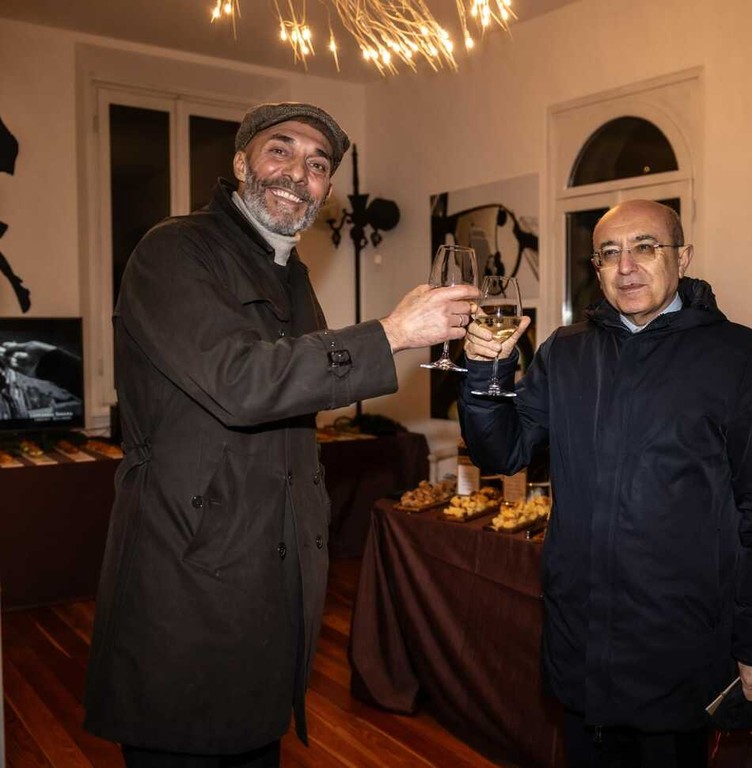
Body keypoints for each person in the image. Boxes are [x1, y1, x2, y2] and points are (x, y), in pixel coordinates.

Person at [83, 101, 479, 767]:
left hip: (271, 580)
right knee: (183, 741)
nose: (299, 172)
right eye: (281, 150)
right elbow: (241, 382)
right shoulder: (174, 251)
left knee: (252, 743)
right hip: (188, 572)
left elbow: (294, 402)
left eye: (318, 164)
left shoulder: (290, 275)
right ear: (241, 163)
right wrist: (392, 333)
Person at [459, 199, 752, 768]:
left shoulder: (740, 357)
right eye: (610, 253)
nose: (626, 267)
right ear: (596, 268)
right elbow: (501, 451)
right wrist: (485, 372)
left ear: (682, 258)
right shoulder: (565, 352)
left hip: (679, 645)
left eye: (645, 247)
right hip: (580, 637)